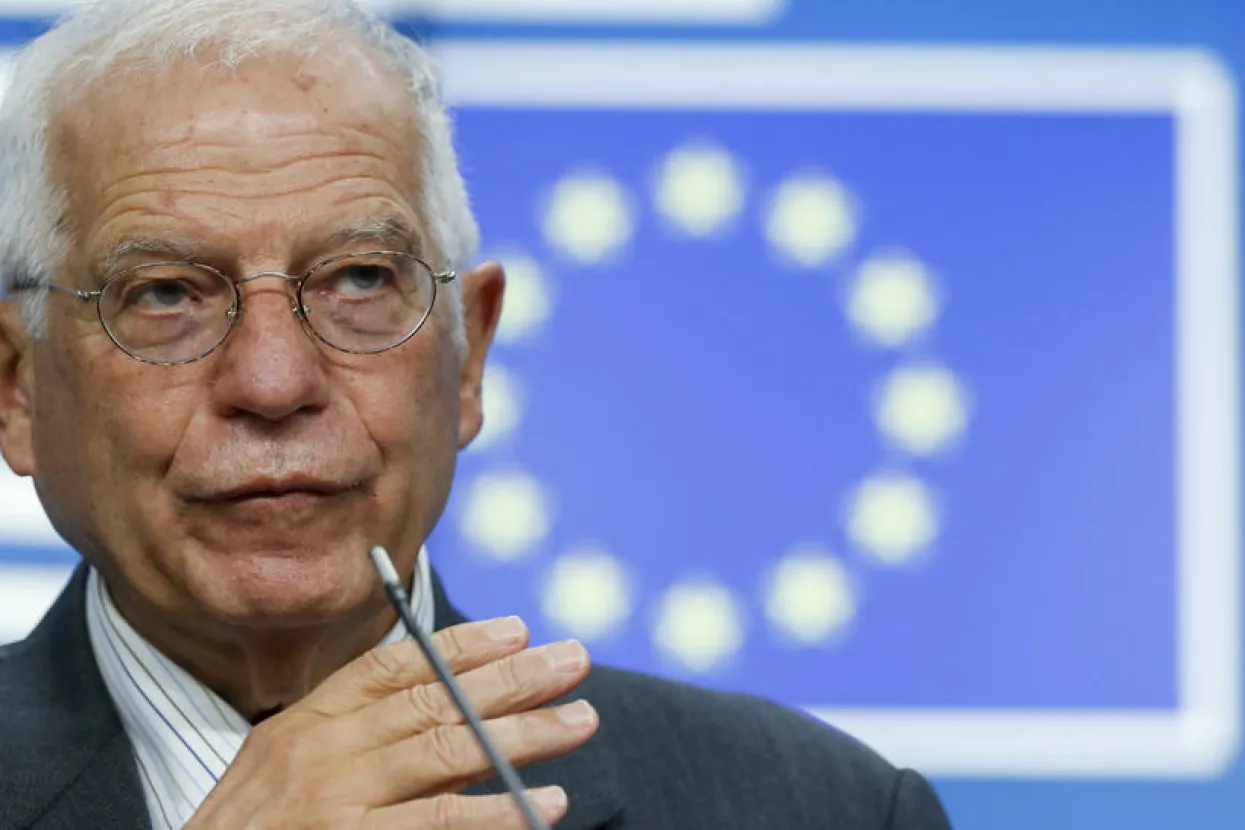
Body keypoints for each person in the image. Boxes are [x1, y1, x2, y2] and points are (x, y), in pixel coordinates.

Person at [0, 2, 953, 828]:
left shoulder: (816, 808)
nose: (275, 382)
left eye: (359, 279)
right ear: (18, 387)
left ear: (471, 356)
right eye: (165, 294)